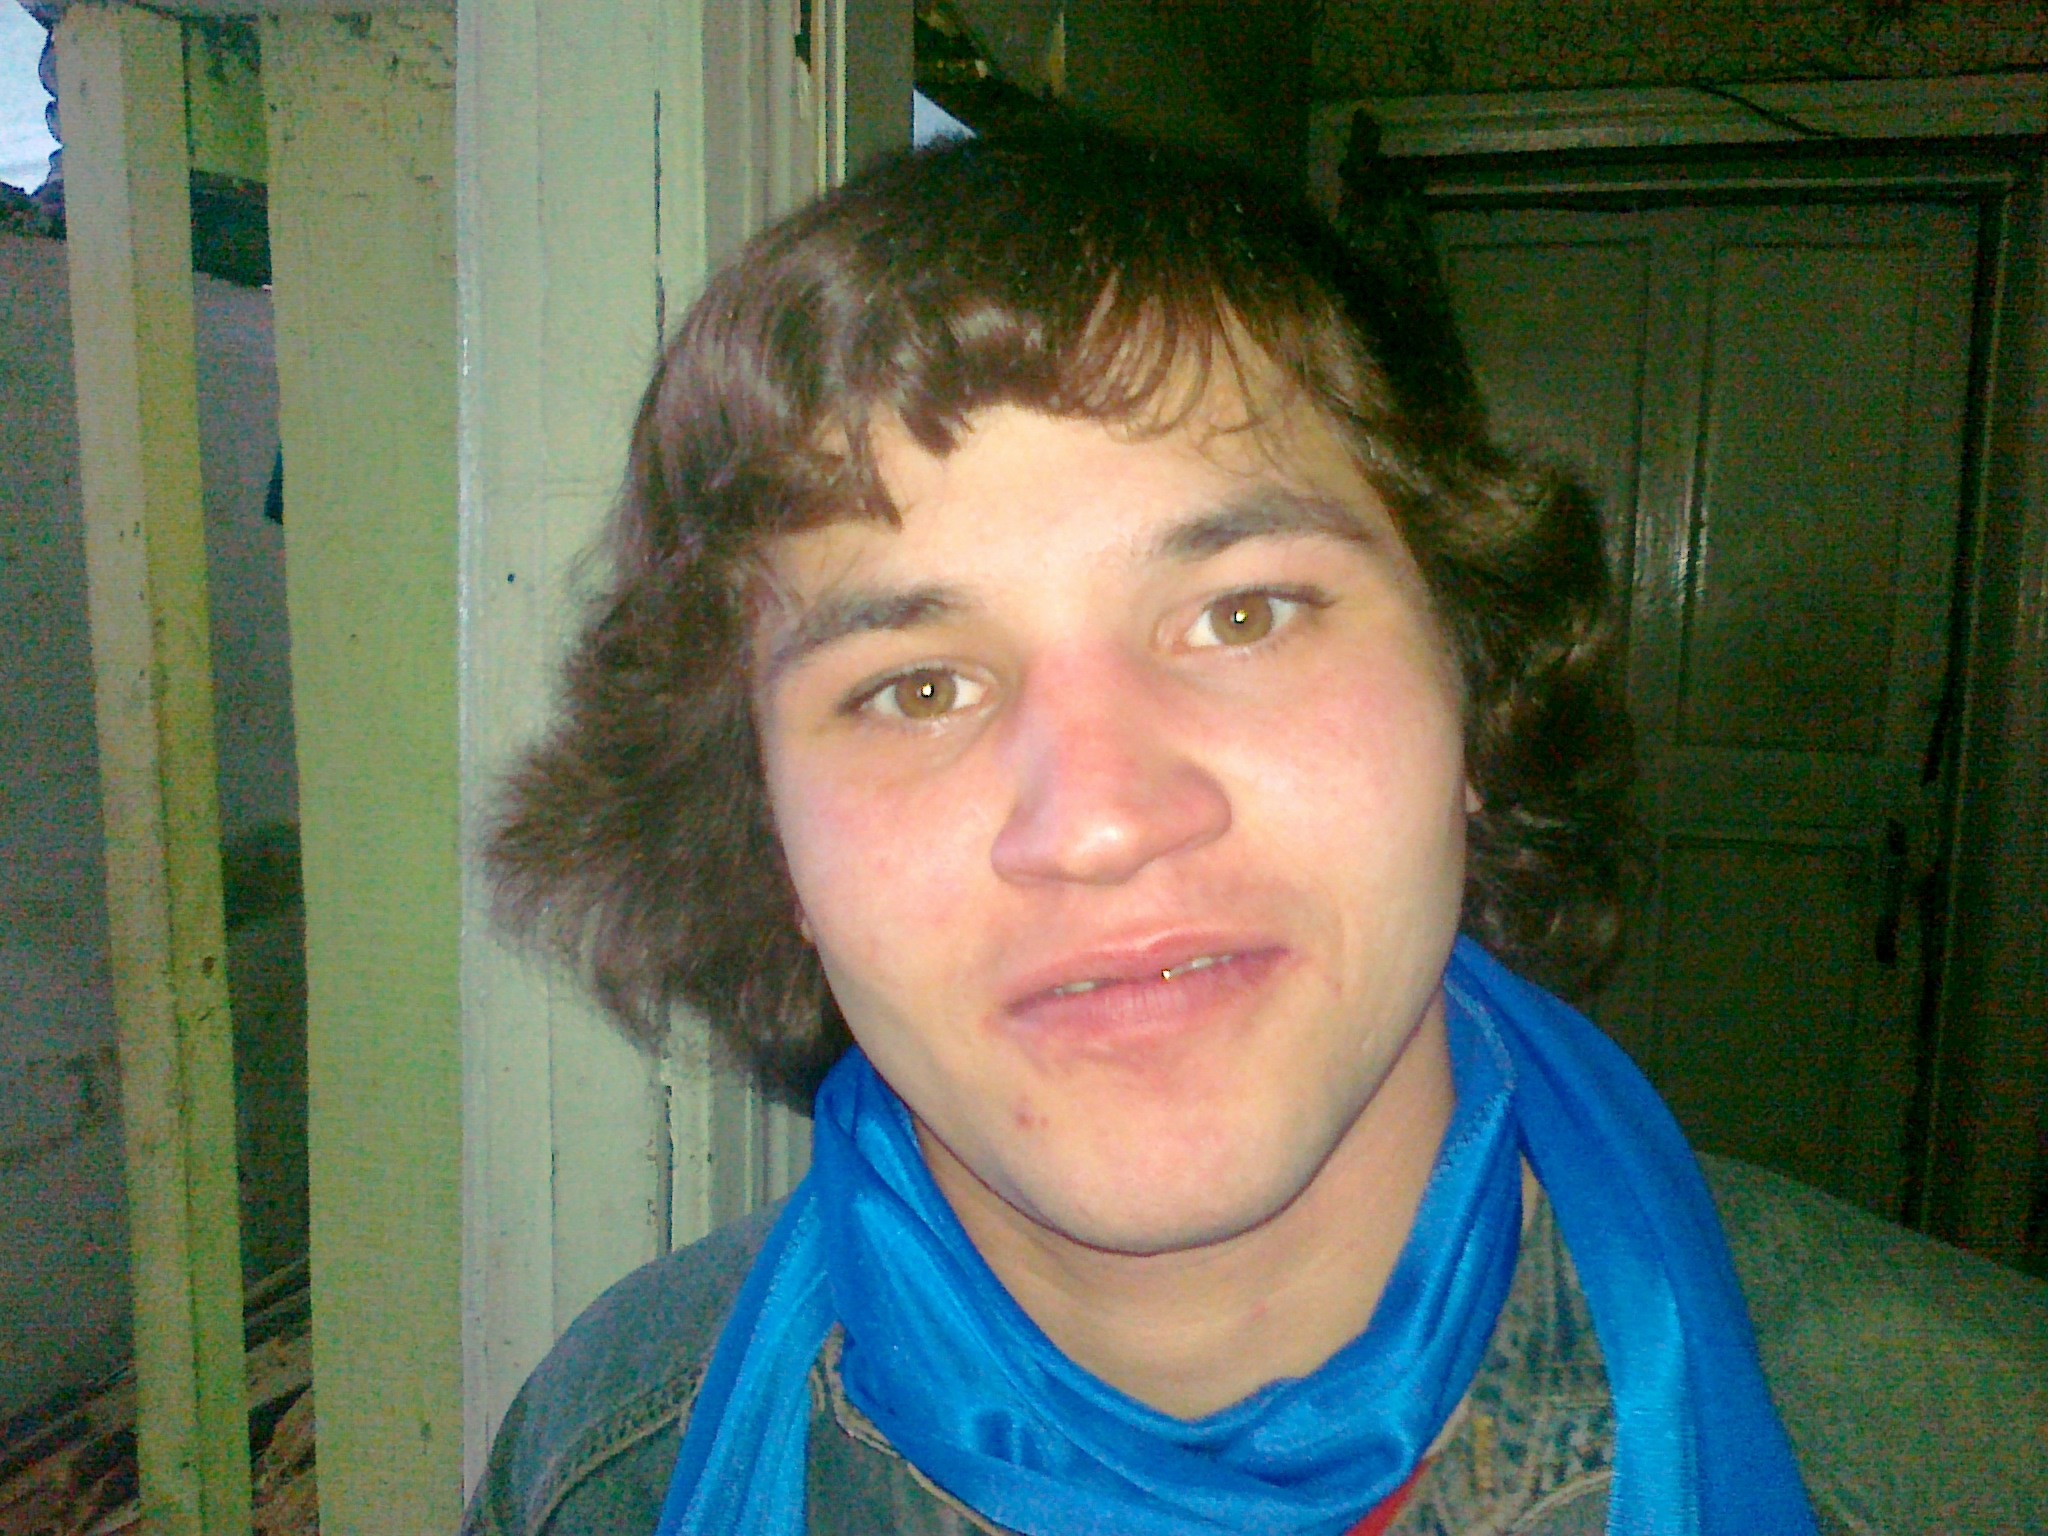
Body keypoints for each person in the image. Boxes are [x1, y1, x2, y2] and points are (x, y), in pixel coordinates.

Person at [462, 127, 2042, 1536]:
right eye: (917, 687)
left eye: (1243, 613)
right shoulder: (607, 1466)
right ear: (771, 845)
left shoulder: (1970, 1454)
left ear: (1474, 691)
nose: (1099, 821)